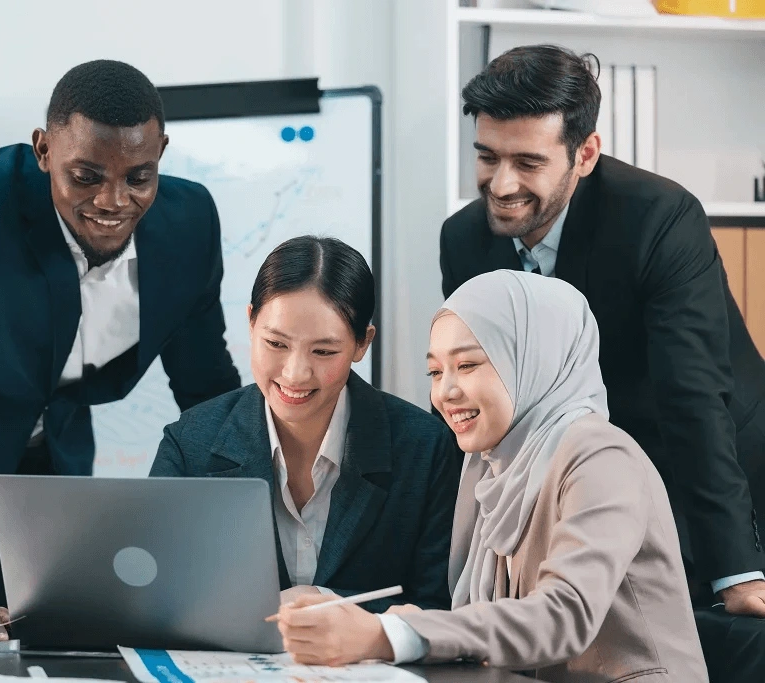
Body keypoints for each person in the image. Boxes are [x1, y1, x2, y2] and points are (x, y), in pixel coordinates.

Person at [0, 60, 241, 634]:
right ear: (42, 150)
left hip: (49, 470)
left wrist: (255, 523)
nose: (113, 201)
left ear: (161, 152)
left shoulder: (189, 224)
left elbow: (206, 388)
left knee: (50, 642)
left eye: (138, 176)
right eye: (86, 176)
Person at [438, 45, 765, 616]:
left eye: (528, 163)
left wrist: (734, 569)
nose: (501, 184)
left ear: (585, 154)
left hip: (706, 467)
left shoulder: (659, 219)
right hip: (575, 477)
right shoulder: (463, 240)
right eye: (487, 156)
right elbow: (480, 394)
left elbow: (690, 400)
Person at [278, 271, 709, 683]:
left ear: (533, 357)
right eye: (435, 371)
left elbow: (565, 614)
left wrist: (387, 635)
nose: (444, 392)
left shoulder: (599, 455)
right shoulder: (493, 466)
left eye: (467, 365)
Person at [149, 236, 459, 612]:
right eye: (276, 344)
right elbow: (159, 594)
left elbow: (438, 607)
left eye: (323, 351)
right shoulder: (189, 444)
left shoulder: (426, 449)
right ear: (250, 323)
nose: (295, 374)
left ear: (362, 343)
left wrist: (327, 606)